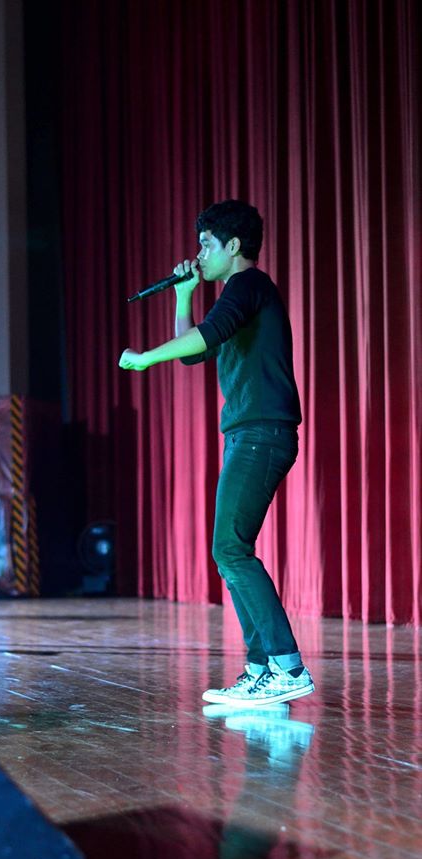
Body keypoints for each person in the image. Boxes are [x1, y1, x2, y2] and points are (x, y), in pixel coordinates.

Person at [119, 199, 314, 705]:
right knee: (229, 550)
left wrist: (145, 358)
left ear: (234, 246)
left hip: (261, 432)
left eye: (207, 245)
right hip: (249, 433)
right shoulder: (237, 293)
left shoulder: (249, 285)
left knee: (230, 549)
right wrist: (184, 295)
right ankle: (261, 668)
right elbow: (197, 350)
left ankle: (288, 667)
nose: (199, 254)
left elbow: (203, 338)